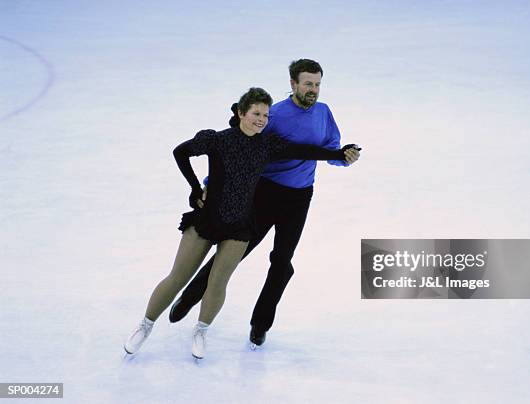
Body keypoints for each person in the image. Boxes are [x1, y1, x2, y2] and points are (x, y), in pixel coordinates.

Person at [123, 87, 358, 359]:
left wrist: (340, 154)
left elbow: (303, 150)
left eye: (265, 115)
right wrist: (195, 187)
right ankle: (145, 326)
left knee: (219, 283)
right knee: (177, 278)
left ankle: (201, 331)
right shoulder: (218, 140)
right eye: (256, 113)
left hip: (239, 225)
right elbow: (180, 152)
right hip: (207, 218)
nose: (261, 119)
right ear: (240, 113)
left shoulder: (267, 145)